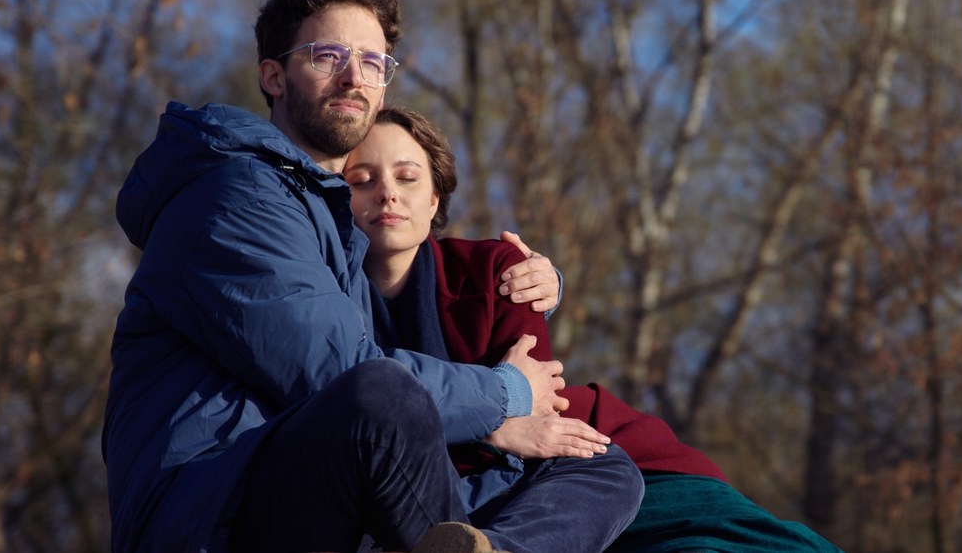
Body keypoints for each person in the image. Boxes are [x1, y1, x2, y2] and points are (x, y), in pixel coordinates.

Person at [103, 0, 640, 553]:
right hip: (212, 502)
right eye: (326, 55)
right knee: (380, 392)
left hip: (313, 476)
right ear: (274, 76)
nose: (354, 76)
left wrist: (541, 278)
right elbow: (337, 372)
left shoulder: (335, 223)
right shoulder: (235, 196)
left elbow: (419, 283)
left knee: (599, 466)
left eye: (373, 62)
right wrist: (504, 395)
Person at [347, 107, 846, 553]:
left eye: (408, 177)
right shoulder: (325, 296)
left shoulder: (499, 269)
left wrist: (500, 420)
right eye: (363, 179)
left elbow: (539, 407)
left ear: (435, 200)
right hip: (445, 488)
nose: (387, 192)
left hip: (568, 460)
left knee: (708, 526)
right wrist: (496, 422)